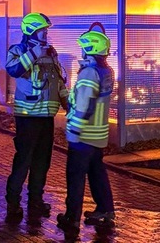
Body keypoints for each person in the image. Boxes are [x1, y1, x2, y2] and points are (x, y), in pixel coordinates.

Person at [4, 12, 69, 220]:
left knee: (42, 162)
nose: (46, 33)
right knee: (23, 161)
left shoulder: (51, 52)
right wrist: (33, 54)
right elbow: (12, 69)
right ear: (31, 30)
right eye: (43, 29)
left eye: (47, 30)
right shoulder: (18, 50)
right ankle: (13, 203)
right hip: (28, 117)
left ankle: (36, 202)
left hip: (46, 118)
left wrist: (69, 106)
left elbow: (59, 82)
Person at [56, 25, 116, 237]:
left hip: (84, 135)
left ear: (90, 49)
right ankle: (106, 210)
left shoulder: (90, 72)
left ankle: (71, 219)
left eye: (83, 48)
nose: (81, 51)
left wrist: (74, 128)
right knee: (97, 173)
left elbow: (84, 104)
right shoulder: (107, 70)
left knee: (76, 177)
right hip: (99, 135)